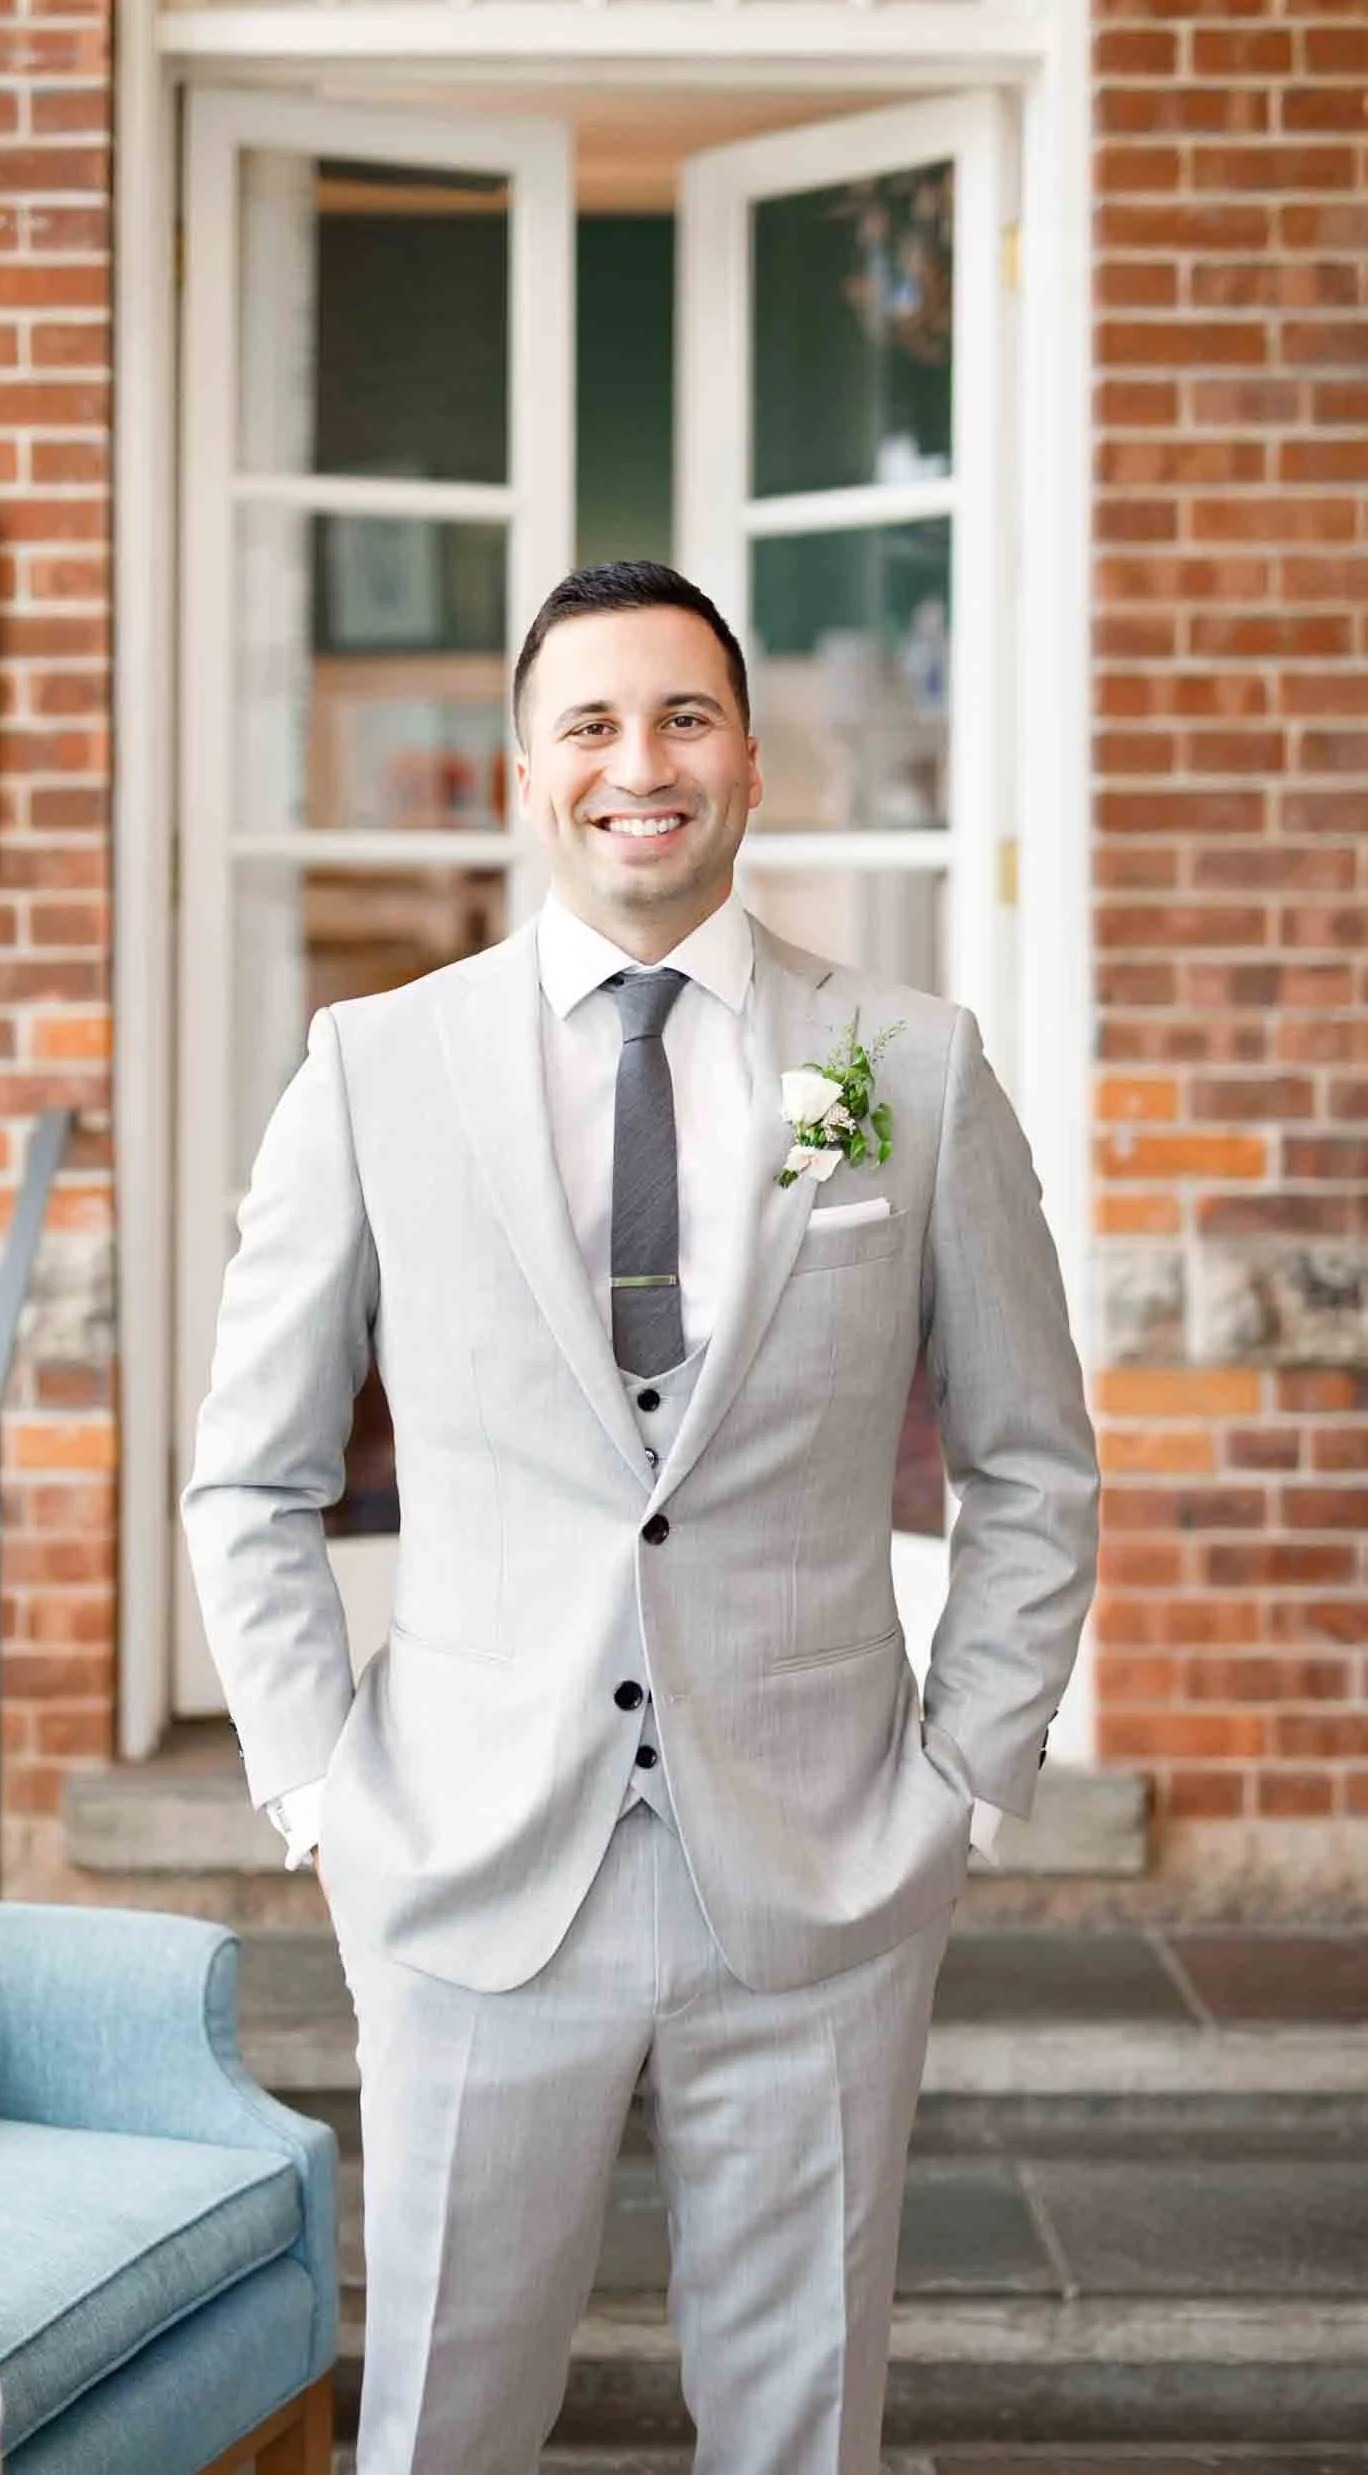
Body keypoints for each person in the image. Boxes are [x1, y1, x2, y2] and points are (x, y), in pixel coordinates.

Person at [181, 559, 1101, 2475]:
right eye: (590, 724)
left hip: (825, 1865)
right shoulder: (375, 1066)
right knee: (441, 2412)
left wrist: (964, 1780)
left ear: (748, 762)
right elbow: (251, 1473)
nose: (638, 764)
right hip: (463, 1862)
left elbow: (1029, 1465)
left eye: (682, 716)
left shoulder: (905, 1066)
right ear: (529, 773)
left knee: (802, 2424)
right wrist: (320, 1797)